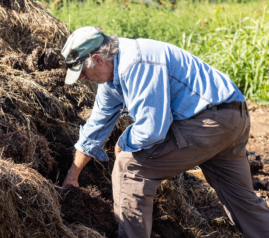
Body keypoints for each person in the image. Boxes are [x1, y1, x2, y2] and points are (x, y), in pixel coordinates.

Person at [61, 26, 269, 238]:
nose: (83, 78)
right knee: (241, 199)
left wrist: (123, 144)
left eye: (83, 72)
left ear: (98, 59)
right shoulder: (112, 77)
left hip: (211, 121)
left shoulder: (136, 63)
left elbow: (153, 129)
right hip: (232, 115)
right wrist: (72, 176)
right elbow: (96, 125)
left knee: (129, 169)